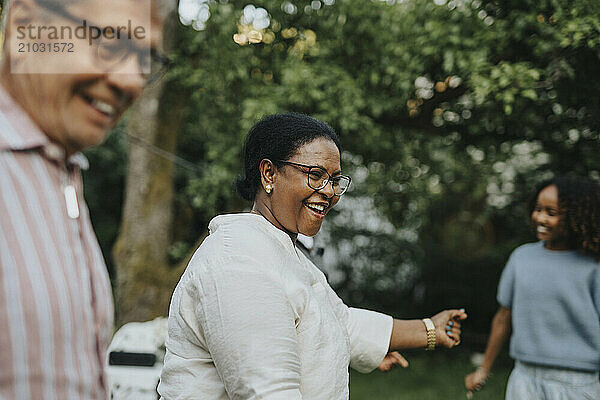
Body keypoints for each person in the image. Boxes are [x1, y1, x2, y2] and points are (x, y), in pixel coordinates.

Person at [158, 113, 468, 399]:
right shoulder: (239, 261)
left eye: (334, 180)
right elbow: (267, 391)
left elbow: (340, 322)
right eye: (315, 175)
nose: (329, 191)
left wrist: (429, 329)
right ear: (268, 173)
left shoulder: (283, 253)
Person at [0, 0, 167, 398]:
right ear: (25, 29)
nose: (131, 82)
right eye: (109, 42)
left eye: (144, 59)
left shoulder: (62, 171)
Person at [464, 176, 600, 399]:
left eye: (551, 212)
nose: (540, 217)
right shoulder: (522, 257)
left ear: (575, 217)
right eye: (538, 209)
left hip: (577, 383)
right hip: (524, 378)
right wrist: (484, 369)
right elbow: (503, 317)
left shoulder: (593, 265)